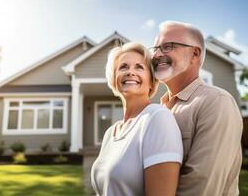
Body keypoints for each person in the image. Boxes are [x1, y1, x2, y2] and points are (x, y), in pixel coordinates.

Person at [150, 21, 243, 196]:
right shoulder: (160, 110)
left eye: (167, 47)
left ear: (194, 53)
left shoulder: (216, 102)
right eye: (155, 49)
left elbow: (200, 186)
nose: (156, 55)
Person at [91, 42, 183, 196]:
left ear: (151, 81)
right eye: (123, 67)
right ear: (114, 79)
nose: (130, 72)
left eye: (139, 67)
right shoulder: (110, 133)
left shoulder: (157, 118)